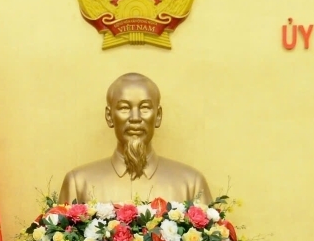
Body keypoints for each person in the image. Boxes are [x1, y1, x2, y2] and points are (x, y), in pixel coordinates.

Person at [58, 73, 212, 204]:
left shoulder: (191, 184)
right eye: (124, 108)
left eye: (145, 107)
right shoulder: (78, 184)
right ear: (109, 116)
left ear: (158, 116)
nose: (135, 118)